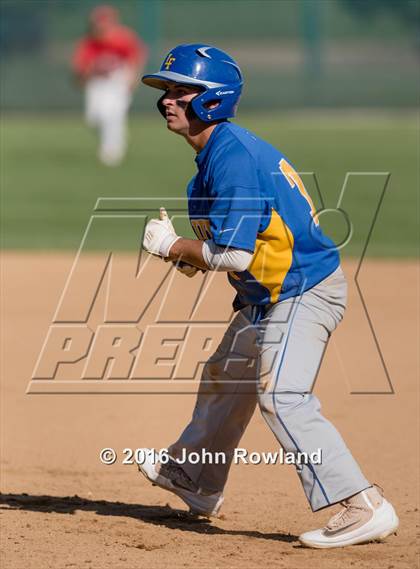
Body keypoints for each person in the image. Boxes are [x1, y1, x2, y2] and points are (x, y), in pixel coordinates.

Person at [138, 43, 399, 548]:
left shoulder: (232, 158)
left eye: (181, 91)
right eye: (165, 91)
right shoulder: (213, 162)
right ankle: (195, 478)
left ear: (213, 100)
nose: (167, 100)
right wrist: (184, 252)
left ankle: (361, 504)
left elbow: (231, 256)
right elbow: (229, 251)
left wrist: (172, 245)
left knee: (282, 395)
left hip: (303, 290)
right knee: (225, 378)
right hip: (268, 295)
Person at [72, 5, 148, 166]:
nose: (100, 26)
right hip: (97, 83)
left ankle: (112, 152)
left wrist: (133, 78)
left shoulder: (123, 37)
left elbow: (136, 57)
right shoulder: (88, 42)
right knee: (93, 119)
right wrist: (86, 74)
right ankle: (116, 136)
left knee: (112, 115)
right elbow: (80, 69)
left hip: (118, 80)